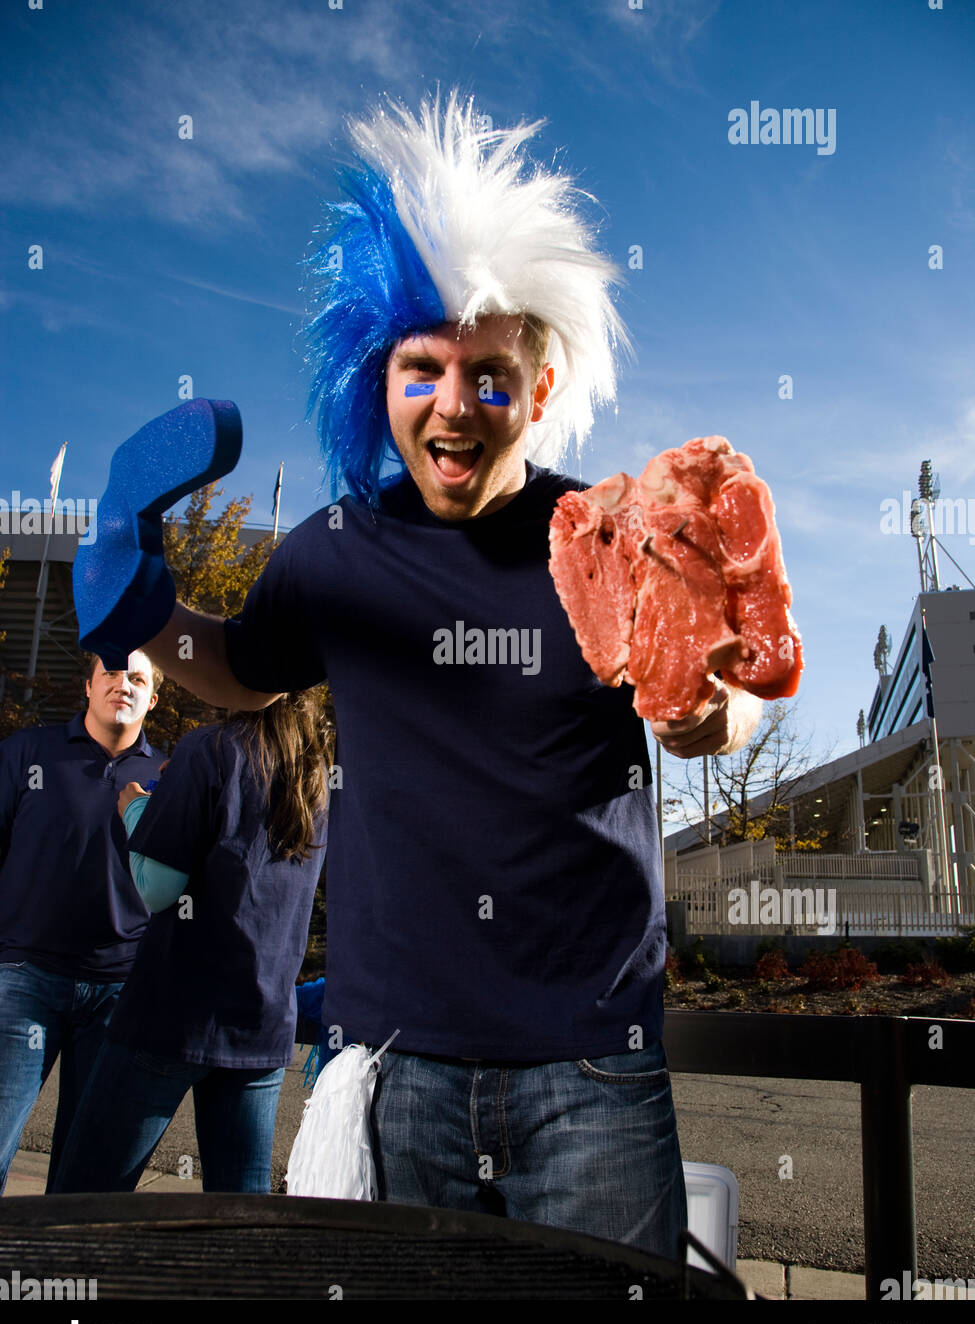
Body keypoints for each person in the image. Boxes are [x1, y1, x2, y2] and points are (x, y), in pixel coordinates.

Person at [84, 94, 762, 1255]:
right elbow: (241, 673)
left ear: (539, 391)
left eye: (490, 375)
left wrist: (717, 713)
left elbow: (727, 697)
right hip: (396, 1067)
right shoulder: (333, 556)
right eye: (423, 367)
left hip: (592, 1062)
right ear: (380, 377)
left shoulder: (616, 537)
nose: (455, 404)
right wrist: (142, 600)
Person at [51, 693, 329, 1194]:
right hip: (262, 1027)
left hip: (175, 1016)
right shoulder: (314, 770)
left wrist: (136, 808)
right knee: (238, 1221)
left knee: (84, 1204)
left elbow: (158, 889)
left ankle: (65, 1277)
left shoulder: (210, 749)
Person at [0, 651, 164, 1194]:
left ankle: (63, 1274)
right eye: (112, 673)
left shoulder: (168, 779)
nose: (124, 684)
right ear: (88, 687)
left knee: (85, 1176)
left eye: (138, 678)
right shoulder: (27, 753)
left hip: (120, 992)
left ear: (153, 698)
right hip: (25, 977)